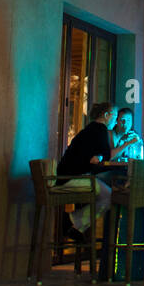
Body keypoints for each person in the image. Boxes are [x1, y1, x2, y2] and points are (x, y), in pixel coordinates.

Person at [55, 102, 119, 243]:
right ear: (106, 115)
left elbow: (96, 157)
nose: (115, 121)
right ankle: (72, 221)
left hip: (63, 177)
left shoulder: (91, 129)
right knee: (110, 196)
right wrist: (129, 143)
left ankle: (75, 226)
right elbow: (108, 155)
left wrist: (100, 157)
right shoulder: (100, 129)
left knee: (105, 192)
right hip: (69, 179)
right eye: (115, 116)